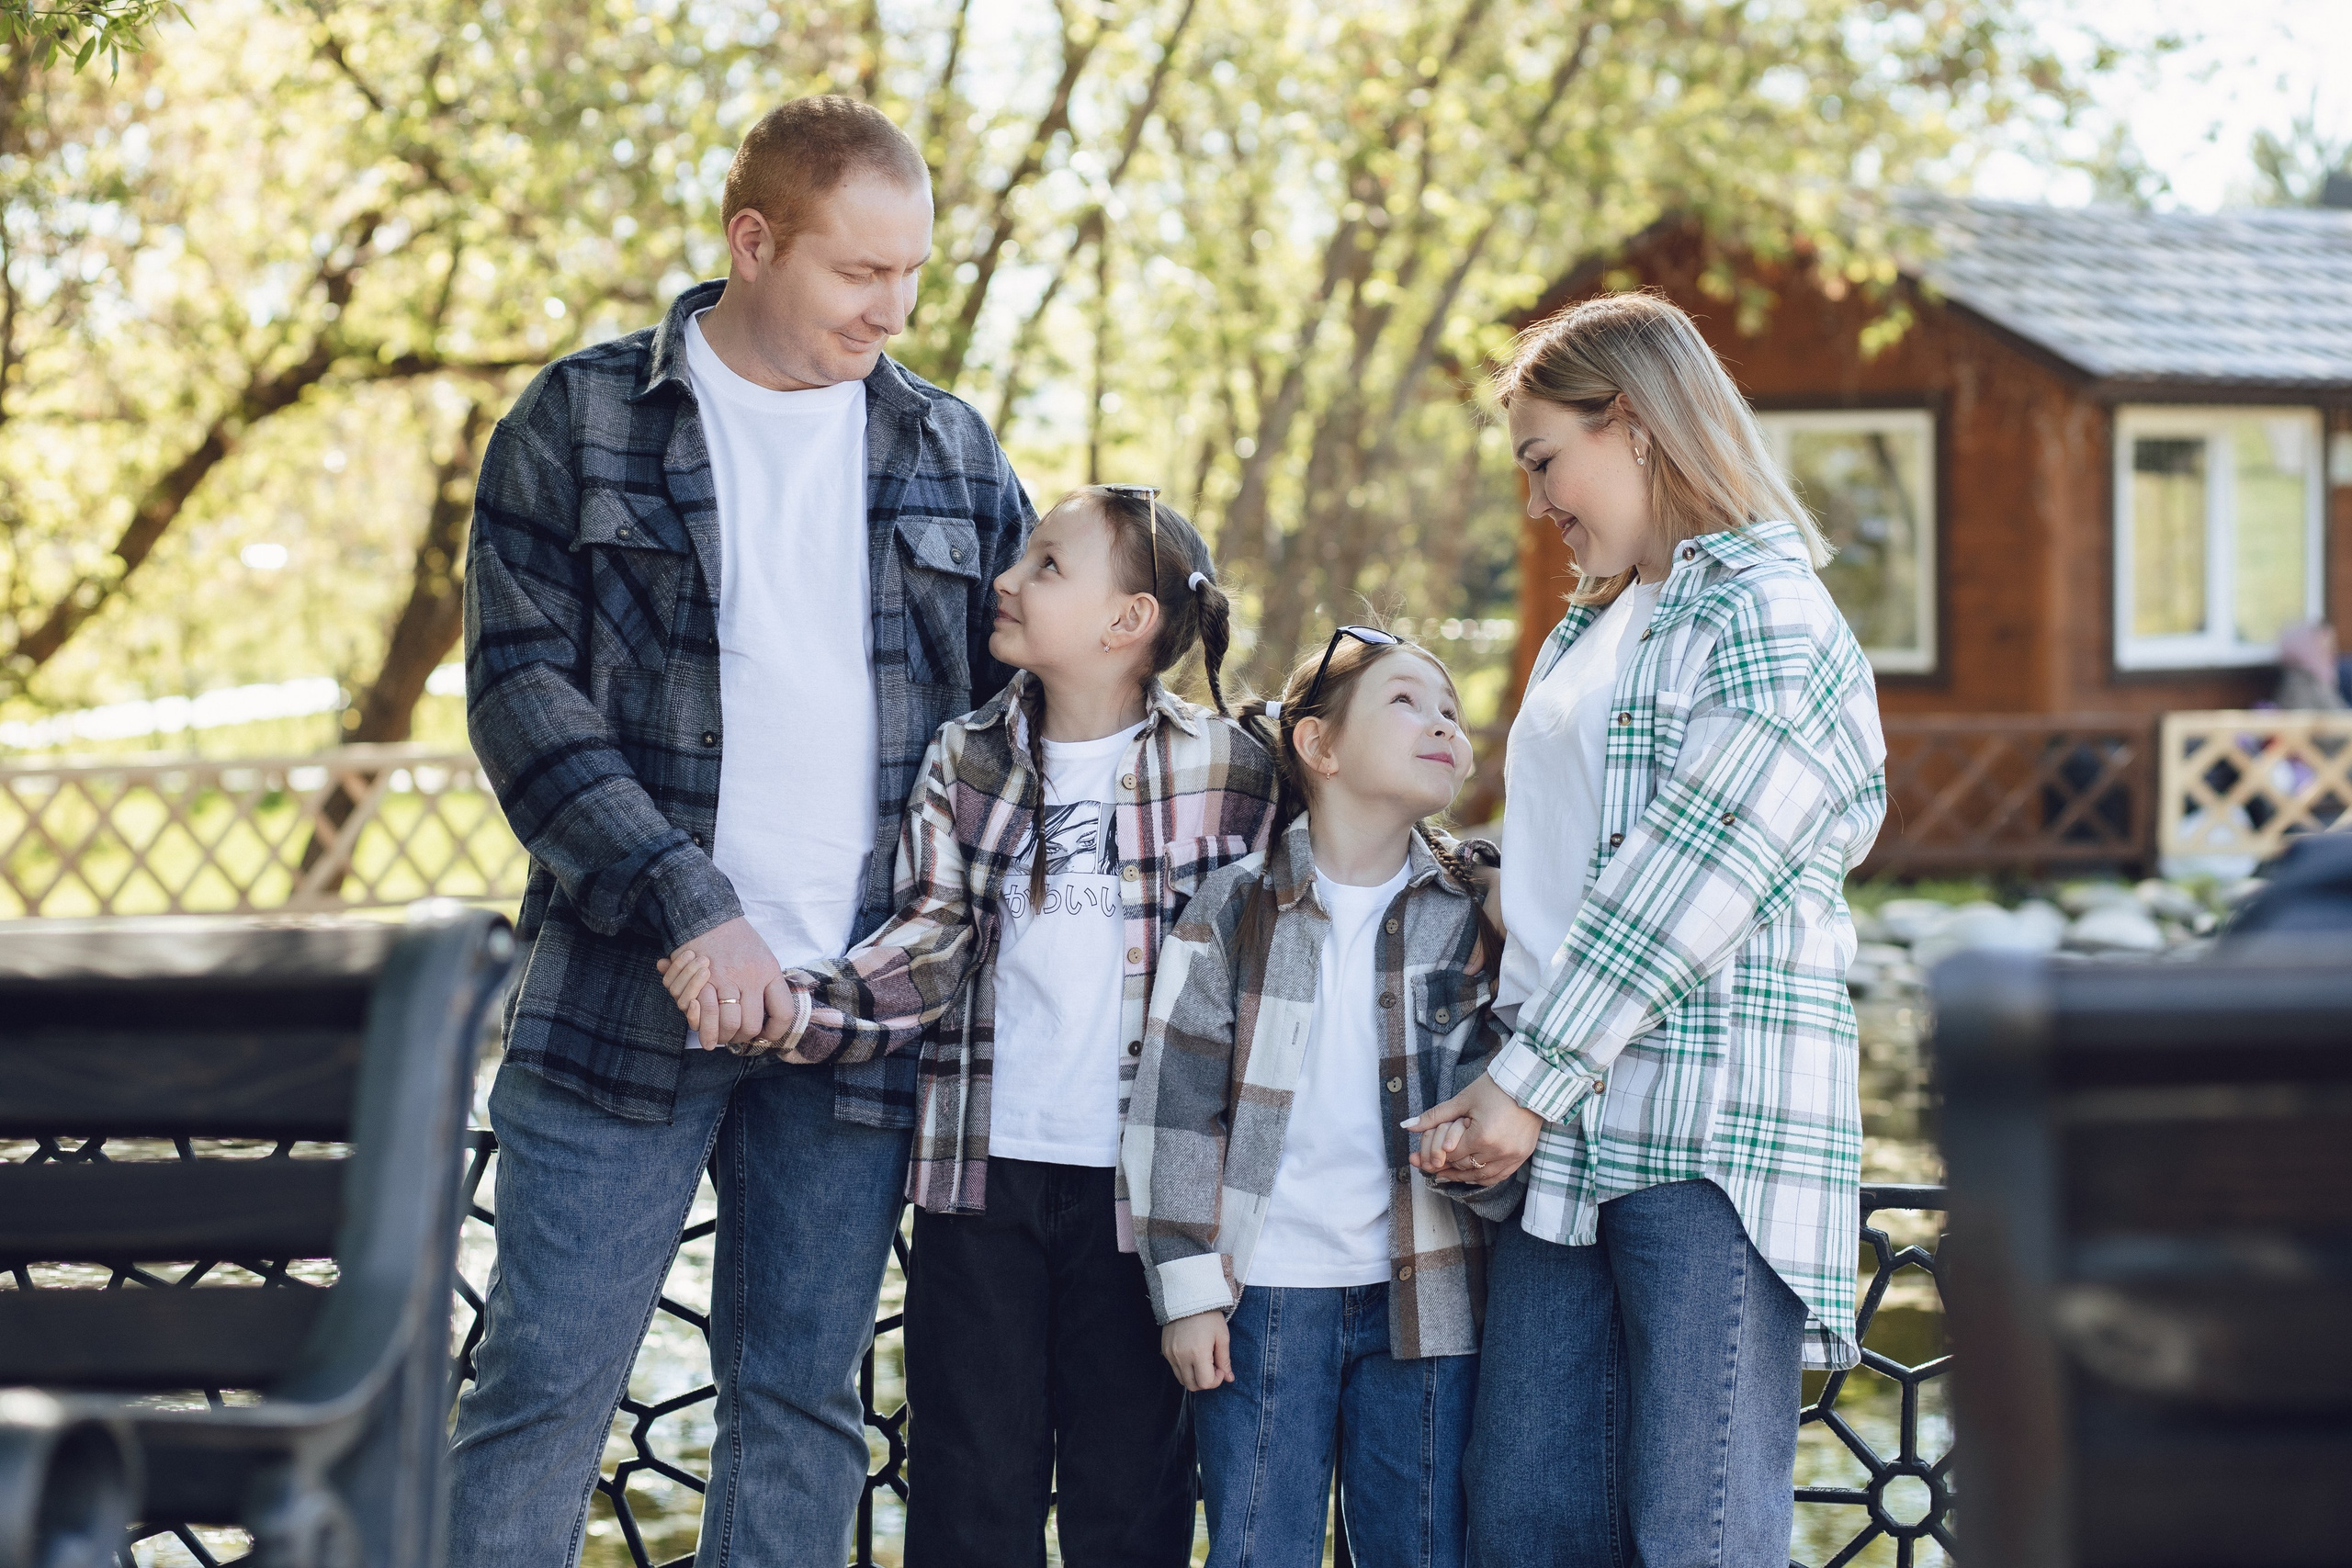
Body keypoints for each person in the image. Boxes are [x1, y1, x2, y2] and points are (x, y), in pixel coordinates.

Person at [450, 96, 1035, 1566]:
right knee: (538, 1395)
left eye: (911, 275)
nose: (889, 308)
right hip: (617, 1004)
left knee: (803, 1404)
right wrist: (686, 907)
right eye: (857, 272)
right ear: (751, 239)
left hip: (857, 1017)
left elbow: (1021, 723)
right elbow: (523, 697)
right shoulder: (576, 422)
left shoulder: (951, 449)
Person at [665, 486, 1276, 1567]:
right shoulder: (967, 756)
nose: (1004, 578)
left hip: (1149, 1200)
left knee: (1130, 1495)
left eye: (1045, 566)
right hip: (977, 1181)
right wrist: (789, 1011)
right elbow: (931, 945)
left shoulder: (1232, 770)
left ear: (1125, 622)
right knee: (967, 1491)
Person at [1405, 291, 1889, 1568]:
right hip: (1569, 1130)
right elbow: (1569, 855)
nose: (1537, 500)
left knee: (1698, 1535)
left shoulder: (1767, 612)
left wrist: (1526, 1078)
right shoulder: (1605, 614)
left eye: (1544, 459)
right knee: (1526, 1522)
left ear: (1631, 423)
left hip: (1705, 1135)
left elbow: (1693, 878)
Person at [1120, 627, 1517, 1568]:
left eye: (1451, 713)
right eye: (1406, 702)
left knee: (1419, 1549)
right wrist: (1186, 1296)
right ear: (1319, 746)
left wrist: (1504, 891)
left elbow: (1512, 1080)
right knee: (1259, 1550)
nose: (1442, 724)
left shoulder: (1473, 914)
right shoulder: (1233, 907)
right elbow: (1173, 1108)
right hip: (1261, 1300)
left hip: (1426, 1301)